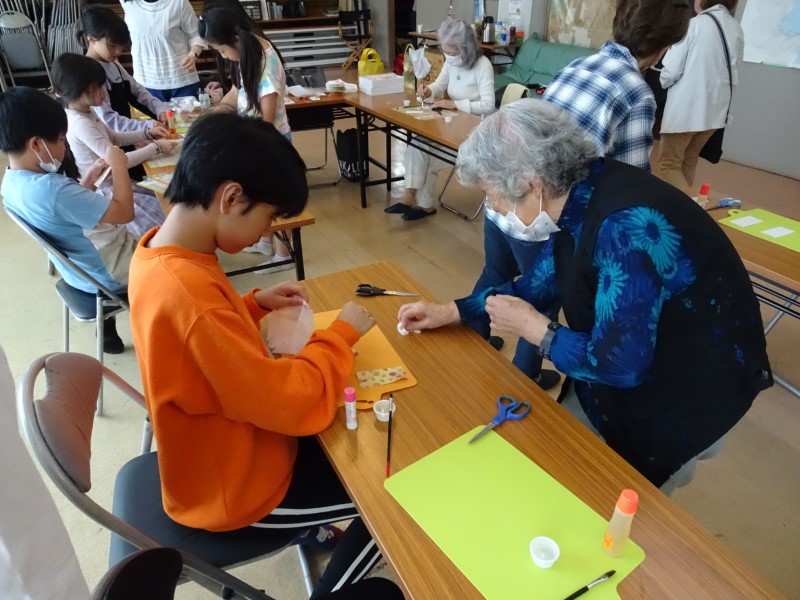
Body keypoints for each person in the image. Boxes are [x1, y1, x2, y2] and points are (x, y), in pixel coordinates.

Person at [398, 99, 772, 493]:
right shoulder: (578, 193)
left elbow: (621, 365)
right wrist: (451, 312)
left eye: (492, 196)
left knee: (623, 501)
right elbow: (540, 282)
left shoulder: (622, 228)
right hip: (621, 365)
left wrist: (538, 331)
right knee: (569, 460)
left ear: (530, 184)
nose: (493, 208)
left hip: (682, 388)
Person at [128, 113, 382, 598]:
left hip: (219, 454)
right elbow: (287, 402)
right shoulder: (190, 294)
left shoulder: (161, 252)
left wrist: (250, 305)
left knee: (355, 436)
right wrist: (340, 336)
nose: (268, 232)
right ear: (231, 198)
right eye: (269, 218)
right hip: (240, 490)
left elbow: (193, 342)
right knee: (387, 488)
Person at [473, 0, 693, 388]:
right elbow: (631, 182)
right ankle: (524, 379)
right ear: (665, 48)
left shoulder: (579, 65)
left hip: (505, 197)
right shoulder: (637, 92)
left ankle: (472, 340)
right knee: (544, 301)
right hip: (539, 211)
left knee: (496, 273)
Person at [0, 87, 136, 353]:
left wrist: (88, 181)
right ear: (36, 144)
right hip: (111, 273)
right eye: (62, 140)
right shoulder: (53, 189)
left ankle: (107, 333)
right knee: (173, 247)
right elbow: (124, 213)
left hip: (79, 274)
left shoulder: (12, 183)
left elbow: (61, 211)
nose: (65, 146)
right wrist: (119, 164)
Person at [543, 0, 692, 172]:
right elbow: (632, 175)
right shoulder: (638, 94)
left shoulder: (576, 65)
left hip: (532, 177)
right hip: (571, 186)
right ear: (661, 48)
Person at [199, 5, 294, 271]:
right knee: (258, 196)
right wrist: (213, 114)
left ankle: (284, 254)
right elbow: (237, 92)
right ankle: (265, 241)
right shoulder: (248, 52)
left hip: (269, 142)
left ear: (235, 39)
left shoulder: (265, 60)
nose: (223, 56)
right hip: (255, 139)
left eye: (221, 50)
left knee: (272, 199)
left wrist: (239, 139)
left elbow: (266, 120)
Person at [53, 53, 176, 238]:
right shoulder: (81, 123)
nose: (105, 92)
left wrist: (147, 133)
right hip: (107, 191)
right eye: (98, 87)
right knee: (165, 221)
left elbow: (115, 138)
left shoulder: (86, 112)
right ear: (79, 90)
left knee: (166, 200)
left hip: (112, 182)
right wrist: (155, 147)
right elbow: (118, 162)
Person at [385, 19, 495, 221]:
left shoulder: (483, 66)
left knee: (429, 158)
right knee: (417, 144)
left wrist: (455, 104)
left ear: (465, 48)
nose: (448, 56)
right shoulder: (452, 63)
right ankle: (410, 195)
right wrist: (428, 91)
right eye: (445, 51)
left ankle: (424, 205)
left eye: (452, 52)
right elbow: (439, 85)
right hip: (453, 124)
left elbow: (489, 105)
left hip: (475, 132)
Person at [658, 0, 744, 193]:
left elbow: (671, 72)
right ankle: (682, 207)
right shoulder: (735, 28)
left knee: (668, 164)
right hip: (715, 113)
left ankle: (688, 207)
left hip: (687, 111)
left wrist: (663, 80)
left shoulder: (693, 25)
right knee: (688, 160)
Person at [79, 5, 169, 132]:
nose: (118, 52)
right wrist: (148, 126)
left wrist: (160, 110)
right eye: (112, 46)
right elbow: (109, 121)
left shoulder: (113, 64)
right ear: (92, 39)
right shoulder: (89, 73)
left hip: (125, 137)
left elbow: (137, 91)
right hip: (109, 139)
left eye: (121, 47)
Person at [120, 0, 207, 102]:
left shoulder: (178, 3)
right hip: (145, 82)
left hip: (181, 80)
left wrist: (193, 55)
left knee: (189, 113)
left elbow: (197, 34)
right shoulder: (128, 3)